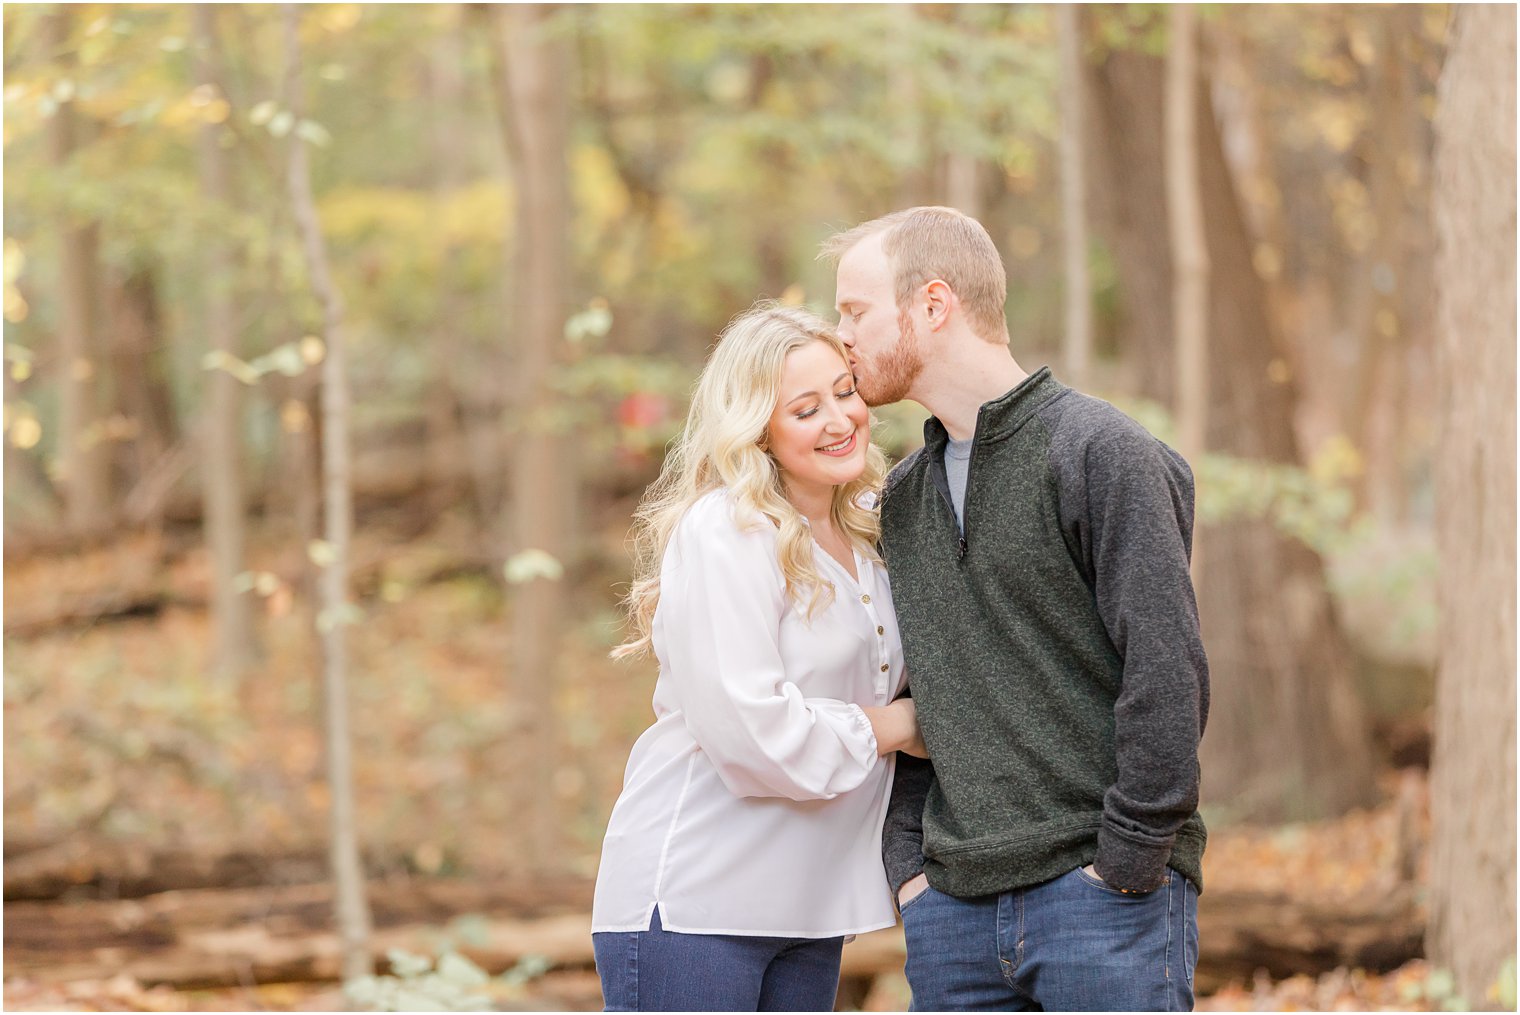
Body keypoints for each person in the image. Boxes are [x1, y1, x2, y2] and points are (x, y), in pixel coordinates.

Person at [823, 206, 1209, 1012]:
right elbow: (912, 689)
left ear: (933, 305)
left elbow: (1167, 675)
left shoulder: (1104, 455)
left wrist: (1128, 862)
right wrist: (913, 875)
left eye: (854, 312)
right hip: (954, 917)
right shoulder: (902, 498)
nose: (840, 339)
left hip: (1102, 902)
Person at [591, 302, 925, 1012]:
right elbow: (752, 731)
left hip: (808, 905)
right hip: (697, 900)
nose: (840, 420)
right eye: (805, 408)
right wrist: (900, 726)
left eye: (845, 391)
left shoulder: (869, 528)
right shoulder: (727, 531)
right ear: (760, 431)